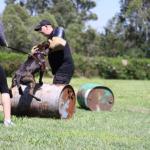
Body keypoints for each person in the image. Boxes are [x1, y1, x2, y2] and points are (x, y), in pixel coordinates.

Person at [32, 19, 74, 84]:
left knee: (57, 91)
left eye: (40, 29)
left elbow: (58, 44)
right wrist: (38, 49)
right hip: (59, 70)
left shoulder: (58, 30)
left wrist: (43, 47)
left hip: (64, 68)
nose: (40, 31)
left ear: (46, 26)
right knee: (57, 89)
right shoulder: (51, 38)